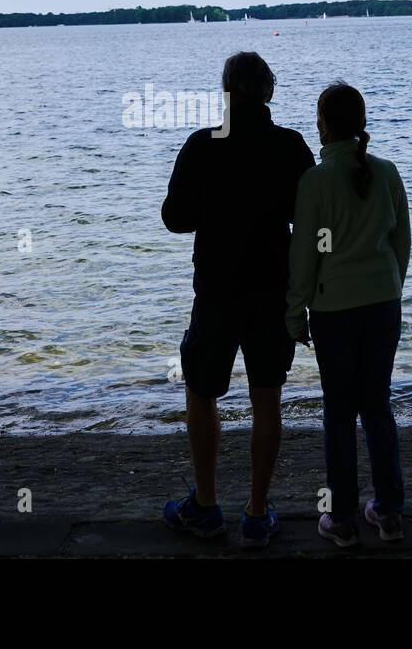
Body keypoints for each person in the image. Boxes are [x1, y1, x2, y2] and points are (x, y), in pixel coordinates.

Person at [161, 52, 315, 546]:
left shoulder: (202, 146)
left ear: (226, 93)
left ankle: (205, 505)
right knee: (266, 396)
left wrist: (215, 206)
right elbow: (307, 220)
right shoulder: (290, 146)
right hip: (272, 289)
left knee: (202, 393)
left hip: (217, 290)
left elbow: (174, 218)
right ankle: (256, 511)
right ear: (268, 91)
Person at [286, 81, 411, 547]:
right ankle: (390, 512)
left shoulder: (315, 182)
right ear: (361, 125)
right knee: (378, 407)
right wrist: (390, 287)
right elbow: (401, 243)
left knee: (339, 414)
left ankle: (341, 519)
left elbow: (305, 257)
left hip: (334, 310)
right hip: (383, 304)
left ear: (322, 127)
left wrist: (294, 314)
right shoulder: (388, 172)